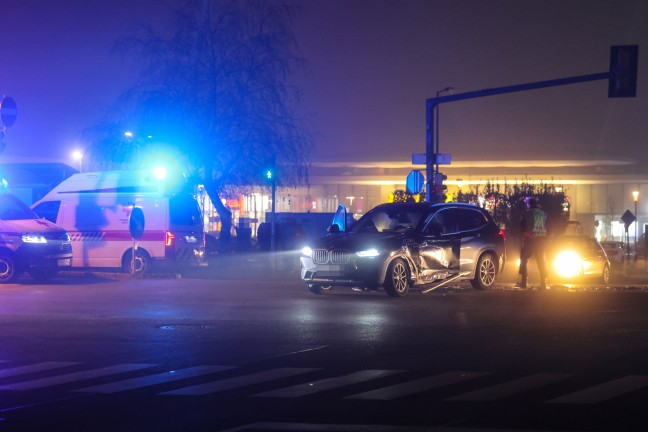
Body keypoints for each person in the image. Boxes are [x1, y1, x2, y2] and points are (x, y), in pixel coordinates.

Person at [517, 197, 548, 289]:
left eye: (527, 203)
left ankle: (524, 282)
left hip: (530, 239)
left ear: (529, 204)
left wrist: (523, 234)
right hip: (541, 240)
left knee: (523, 259)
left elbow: (521, 226)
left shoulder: (526, 213)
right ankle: (543, 282)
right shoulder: (543, 214)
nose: (526, 204)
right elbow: (547, 226)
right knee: (541, 261)